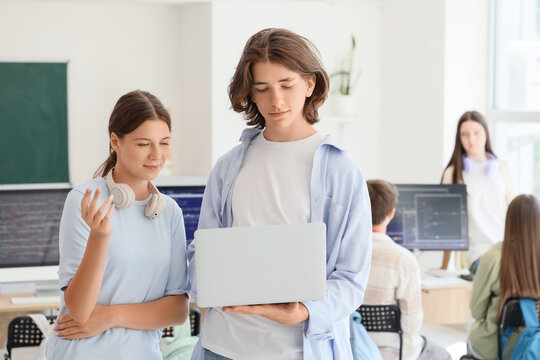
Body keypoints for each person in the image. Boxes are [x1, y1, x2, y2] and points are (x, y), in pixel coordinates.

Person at [187, 28, 373, 359]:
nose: (276, 100)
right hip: (223, 346)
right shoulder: (228, 167)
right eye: (263, 88)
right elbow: (202, 250)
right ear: (251, 95)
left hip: (298, 349)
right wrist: (202, 282)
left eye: (286, 85)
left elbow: (351, 278)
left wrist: (304, 310)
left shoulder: (341, 171)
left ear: (309, 84)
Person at [46, 90, 190, 359]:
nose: (157, 155)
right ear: (116, 141)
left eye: (165, 143)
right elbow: (79, 310)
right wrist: (100, 236)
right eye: (144, 144)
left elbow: (178, 310)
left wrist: (110, 316)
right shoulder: (85, 200)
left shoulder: (169, 212)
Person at [363, 180, 451, 360]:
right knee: (444, 354)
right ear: (391, 213)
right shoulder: (404, 261)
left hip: (353, 348)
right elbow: (411, 325)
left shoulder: (341, 255)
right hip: (393, 353)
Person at [467, 194, 540, 359]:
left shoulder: (493, 257)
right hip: (534, 347)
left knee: (470, 327)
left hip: (496, 348)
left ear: (509, 222)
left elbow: (477, 312)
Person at [441, 111, 516, 270]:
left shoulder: (502, 169)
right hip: (476, 254)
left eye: (476, 133)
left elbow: (515, 211)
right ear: (459, 138)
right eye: (465, 134)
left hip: (506, 250)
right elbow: (448, 223)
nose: (471, 139)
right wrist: (444, 266)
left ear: (486, 134)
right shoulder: (453, 174)